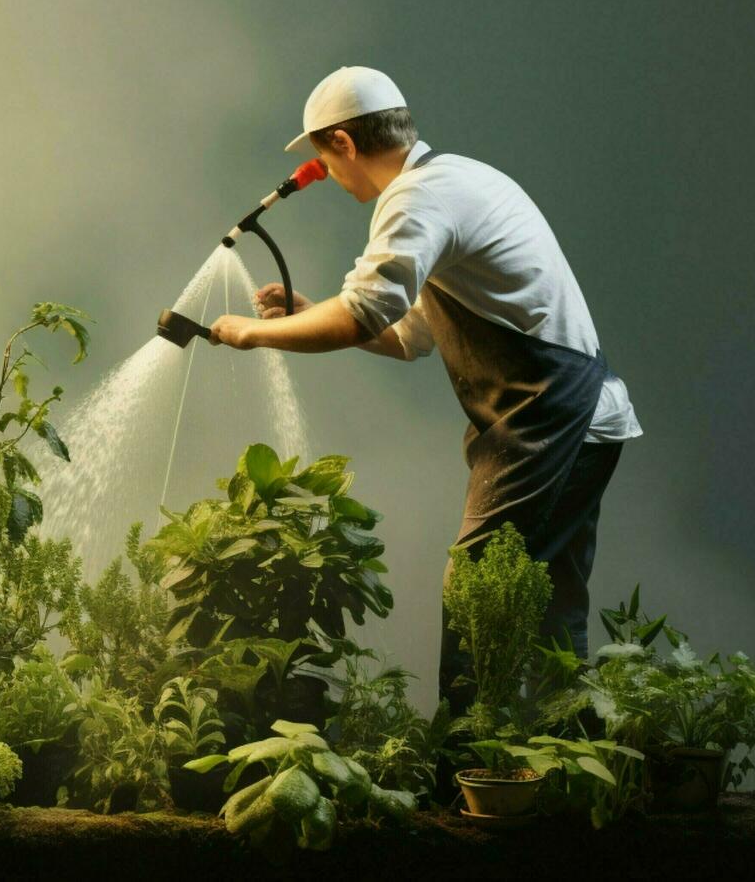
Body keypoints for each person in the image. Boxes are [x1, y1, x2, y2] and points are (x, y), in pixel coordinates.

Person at [203, 66, 642, 715]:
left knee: (474, 584)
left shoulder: (417, 198)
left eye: (323, 157)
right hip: (580, 416)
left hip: (550, 413)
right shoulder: (455, 180)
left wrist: (252, 334)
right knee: (551, 604)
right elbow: (407, 333)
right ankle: (565, 771)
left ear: (344, 145)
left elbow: (365, 314)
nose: (324, 173)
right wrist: (309, 311)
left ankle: (463, 766)